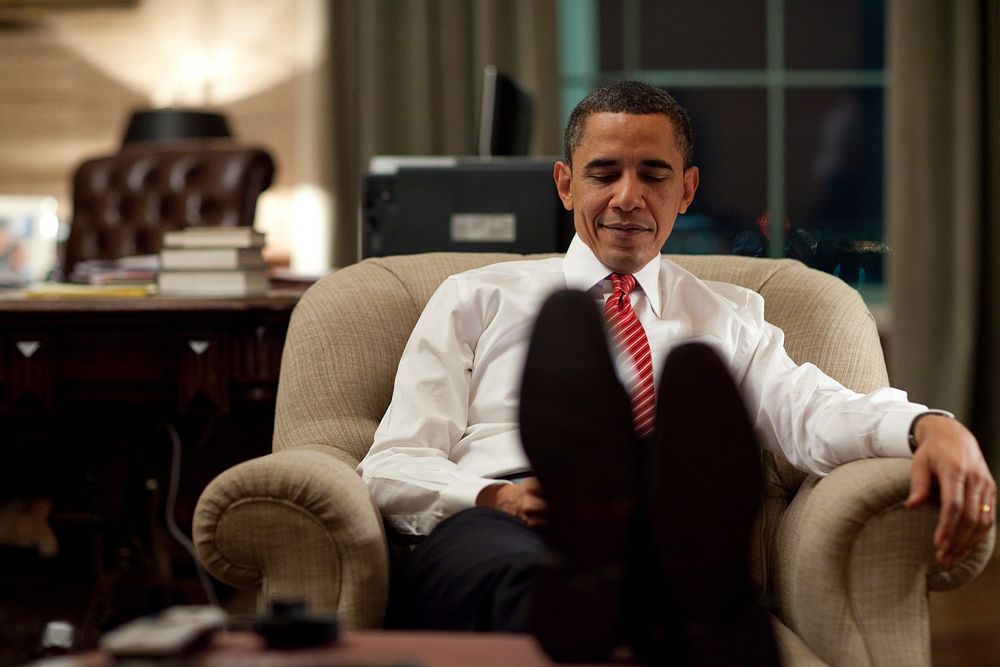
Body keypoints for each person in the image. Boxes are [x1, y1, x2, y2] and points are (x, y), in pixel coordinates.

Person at [358, 81, 995, 663]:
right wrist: (498, 497)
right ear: (565, 185)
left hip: (655, 533)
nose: (627, 198)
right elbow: (392, 464)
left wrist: (929, 426)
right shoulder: (475, 296)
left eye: (653, 175)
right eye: (603, 173)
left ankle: (641, 573)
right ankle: (637, 606)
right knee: (521, 576)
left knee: (653, 565)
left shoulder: (727, 317)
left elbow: (811, 411)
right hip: (495, 523)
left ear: (685, 190)